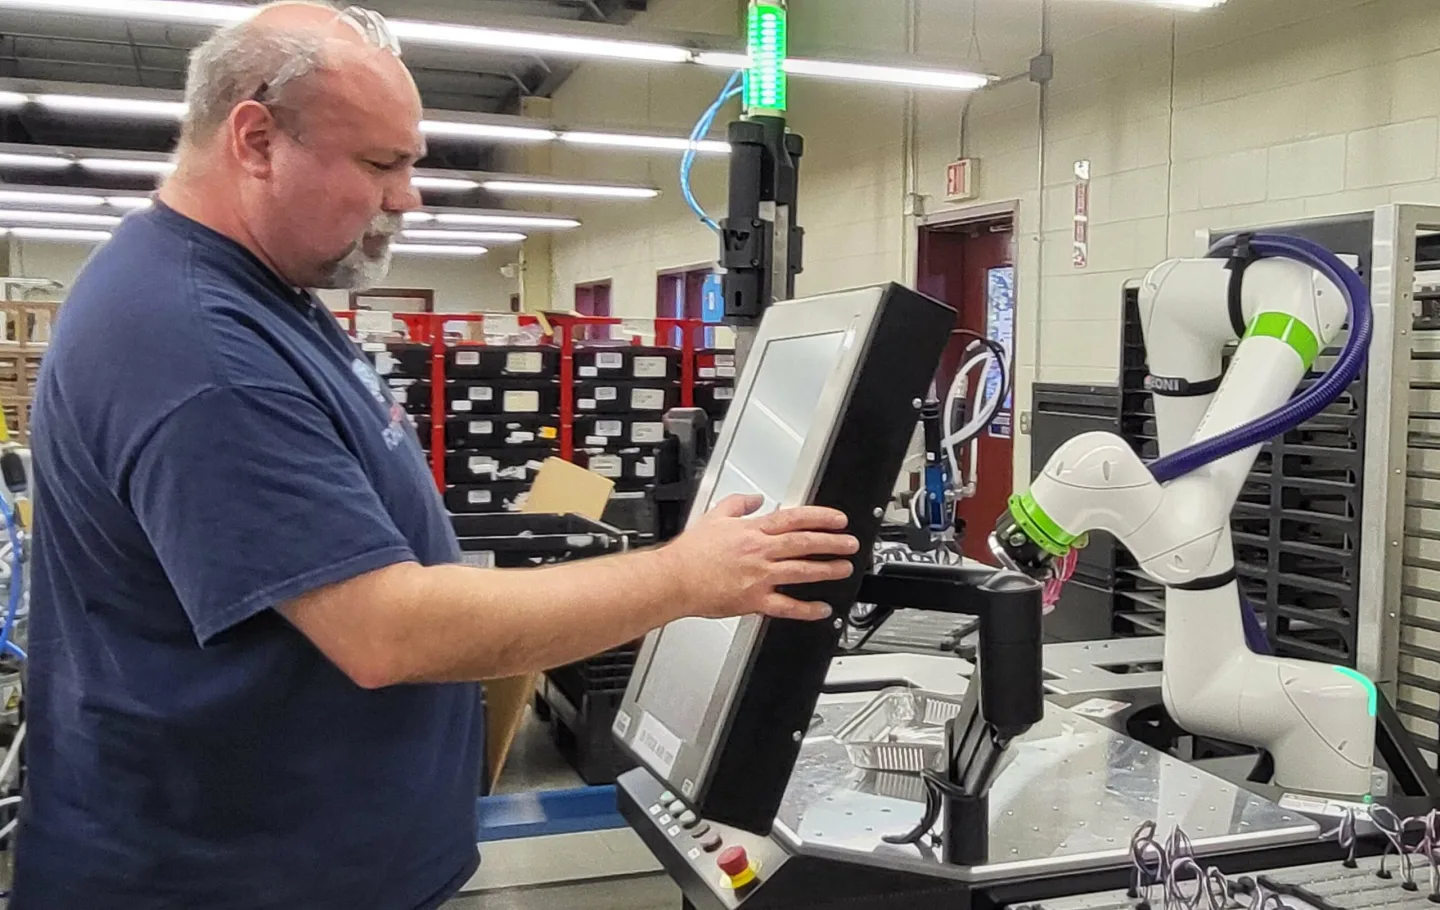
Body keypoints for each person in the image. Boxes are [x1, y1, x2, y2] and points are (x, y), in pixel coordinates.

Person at [10, 4, 858, 908]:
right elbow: (384, 631)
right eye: (381, 164)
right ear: (256, 140)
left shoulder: (266, 295)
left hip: (294, 861)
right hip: (221, 881)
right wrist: (685, 579)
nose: (408, 197)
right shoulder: (196, 341)